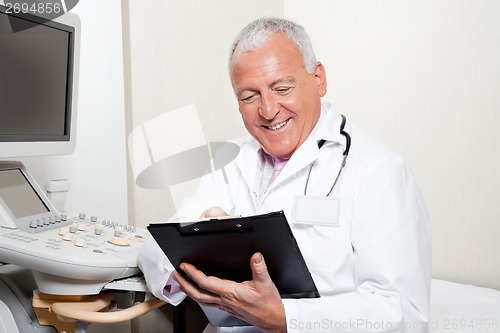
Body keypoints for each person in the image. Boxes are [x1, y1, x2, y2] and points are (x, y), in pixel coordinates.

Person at [138, 17, 431, 333]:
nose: (267, 110)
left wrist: (285, 318)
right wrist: (192, 267)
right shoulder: (228, 164)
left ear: (318, 78)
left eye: (282, 88)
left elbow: (401, 311)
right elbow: (155, 248)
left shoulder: (378, 170)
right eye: (249, 96)